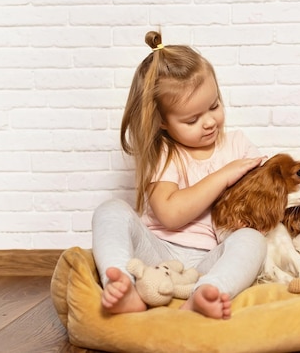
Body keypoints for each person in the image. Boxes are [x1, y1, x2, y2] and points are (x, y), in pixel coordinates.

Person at [91, 31, 267, 319]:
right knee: (110, 210)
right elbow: (171, 214)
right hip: (155, 255)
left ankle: (207, 292)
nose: (210, 122)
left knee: (252, 240)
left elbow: (263, 196)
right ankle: (125, 286)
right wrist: (223, 175)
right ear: (161, 121)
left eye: (214, 106)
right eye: (192, 119)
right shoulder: (165, 154)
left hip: (209, 258)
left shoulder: (238, 145)